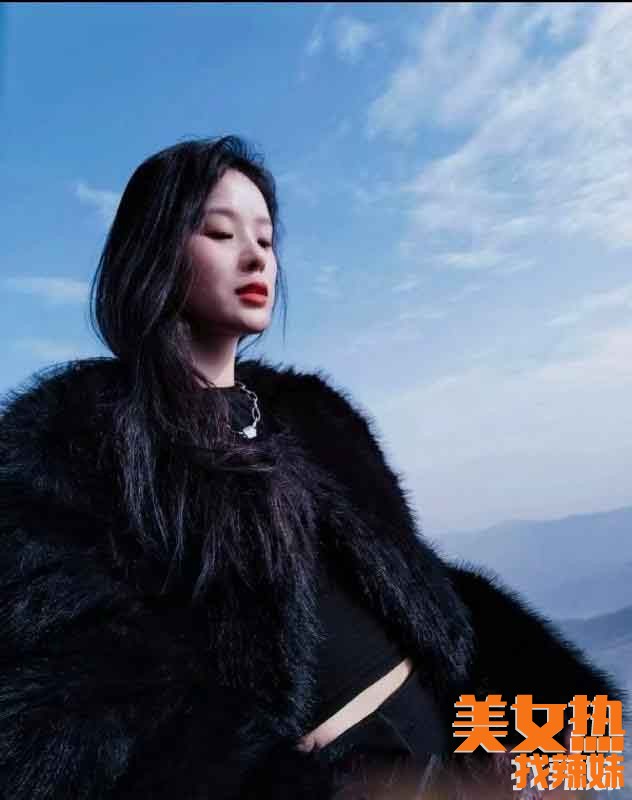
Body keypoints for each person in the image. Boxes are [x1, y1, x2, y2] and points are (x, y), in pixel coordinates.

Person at [0, 136, 622, 800]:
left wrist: (540, 710)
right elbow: (70, 698)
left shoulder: (315, 415)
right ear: (152, 251)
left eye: (266, 239)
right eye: (220, 233)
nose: (255, 256)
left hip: (448, 743)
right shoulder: (72, 443)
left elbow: (416, 587)